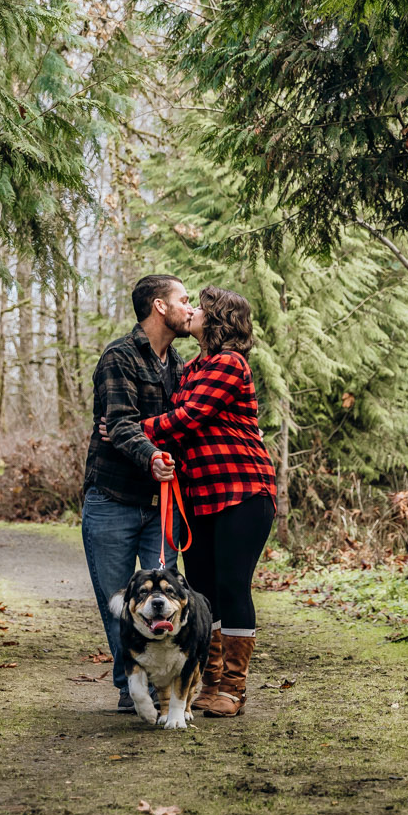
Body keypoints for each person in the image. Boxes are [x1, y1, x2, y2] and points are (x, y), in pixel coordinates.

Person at [140, 285, 277, 716]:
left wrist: (132, 428)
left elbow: (186, 418)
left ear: (219, 320)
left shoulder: (229, 364)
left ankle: (233, 689)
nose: (193, 311)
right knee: (201, 592)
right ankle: (211, 679)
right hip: (199, 500)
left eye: (201, 307)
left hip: (243, 491)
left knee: (232, 586)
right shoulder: (192, 367)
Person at [82, 274, 192, 711]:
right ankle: (133, 687)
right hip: (112, 500)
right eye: (184, 300)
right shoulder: (119, 356)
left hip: (160, 506)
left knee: (165, 598)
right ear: (160, 307)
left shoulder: (179, 364)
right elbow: (121, 422)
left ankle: (157, 686)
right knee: (120, 603)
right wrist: (152, 457)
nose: (190, 307)